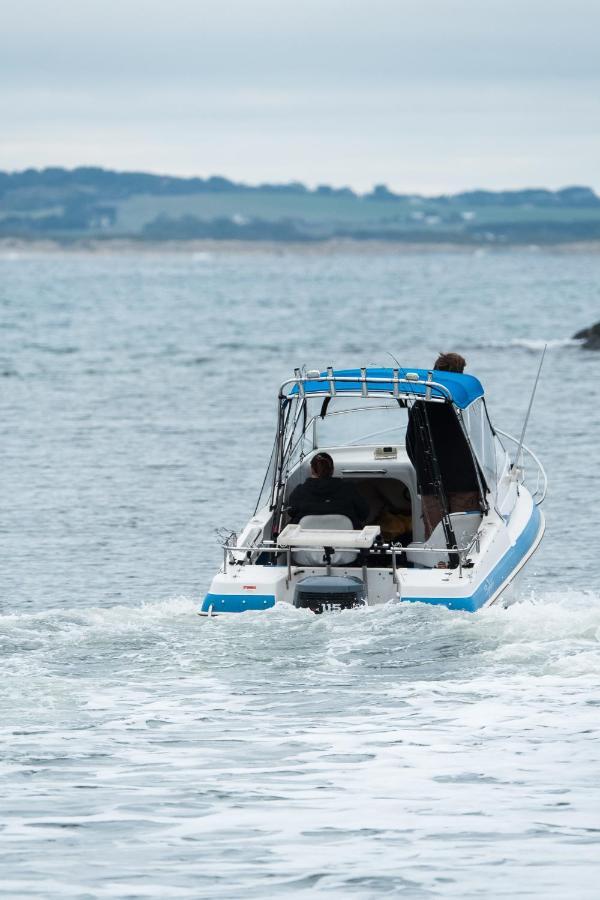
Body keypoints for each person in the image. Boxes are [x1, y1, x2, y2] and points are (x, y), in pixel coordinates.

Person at [406, 352, 481, 538]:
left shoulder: (420, 406)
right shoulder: (465, 404)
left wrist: (423, 471)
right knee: (465, 531)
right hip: (464, 480)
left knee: (436, 534)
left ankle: (438, 564)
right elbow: (480, 443)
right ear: (460, 374)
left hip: (430, 481)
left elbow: (410, 445)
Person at [287, 452, 369, 529]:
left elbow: (291, 511)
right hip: (346, 542)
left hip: (305, 542)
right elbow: (364, 513)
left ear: (312, 470)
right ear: (332, 470)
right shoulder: (349, 489)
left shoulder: (300, 491)